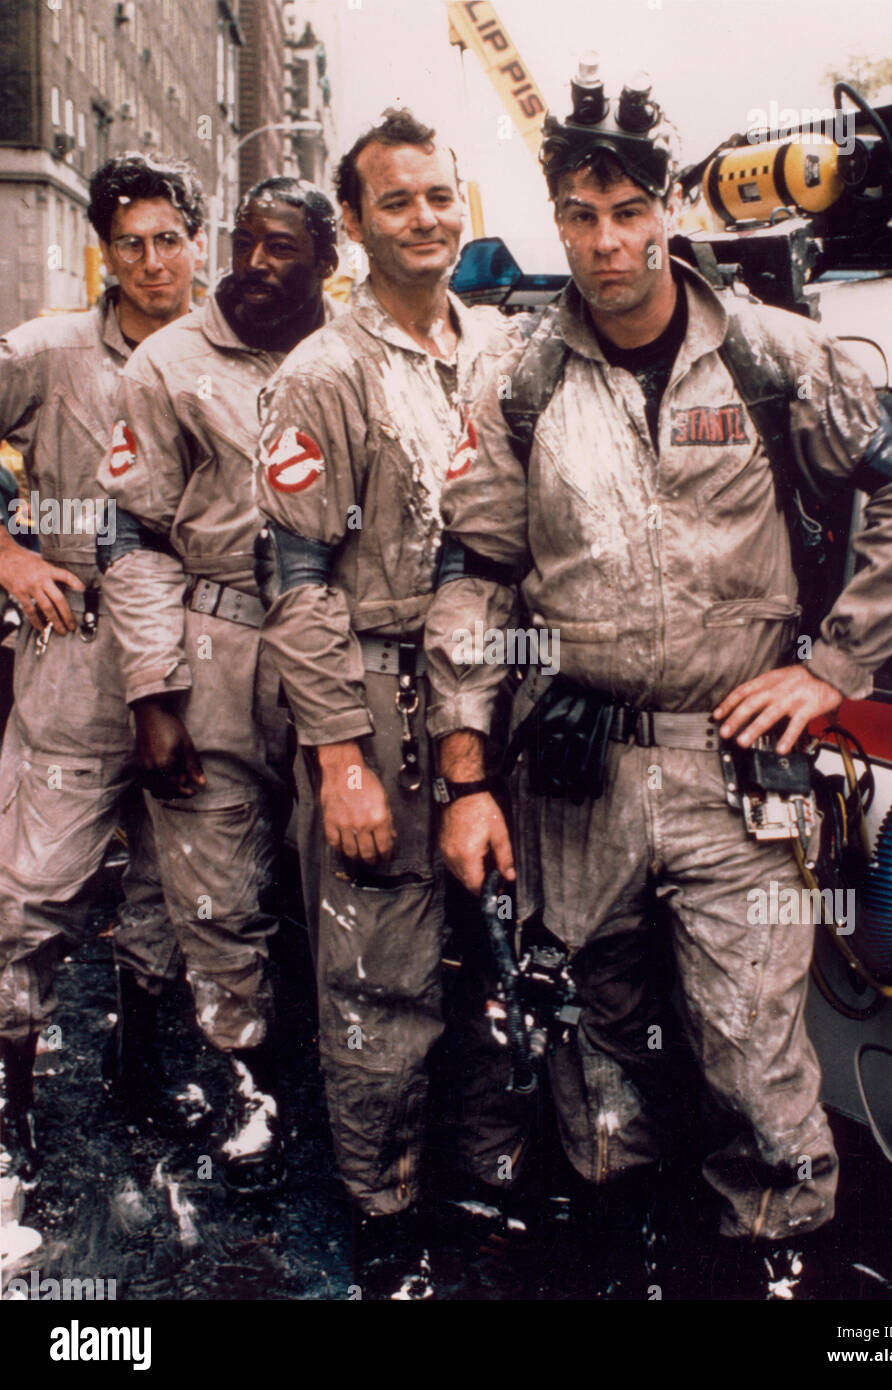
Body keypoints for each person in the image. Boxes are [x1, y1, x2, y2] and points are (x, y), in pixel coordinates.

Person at [424, 74, 892, 1297]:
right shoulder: (518, 379)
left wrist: (831, 667)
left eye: (626, 209)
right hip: (576, 773)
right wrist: (464, 776)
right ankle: (626, 1262)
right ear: (555, 219)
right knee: (593, 1054)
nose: (606, 242)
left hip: (735, 781)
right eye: (579, 215)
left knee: (754, 1057)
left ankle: (773, 1272)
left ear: (667, 204)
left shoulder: (778, 357)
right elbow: (476, 575)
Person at [253, 109, 519, 1297]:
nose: (425, 220)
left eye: (439, 197)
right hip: (371, 686)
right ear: (353, 224)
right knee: (378, 968)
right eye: (396, 202)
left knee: (506, 945)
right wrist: (340, 760)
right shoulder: (323, 372)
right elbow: (297, 582)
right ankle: (383, 1203)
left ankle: (488, 1170)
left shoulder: (503, 349)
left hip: (503, 681)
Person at [97, 177, 339, 1194]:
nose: (256, 263)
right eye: (245, 241)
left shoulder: (360, 352)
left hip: (335, 645)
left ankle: (349, 1085)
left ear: (329, 256)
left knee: (349, 882)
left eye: (283, 246)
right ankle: (253, 1089)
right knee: (217, 887)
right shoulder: (168, 362)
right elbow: (132, 534)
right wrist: (154, 691)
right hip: (217, 643)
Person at [0, 153, 206, 1177]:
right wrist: (9, 551)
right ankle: (11, 1099)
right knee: (32, 883)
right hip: (76, 638)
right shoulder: (47, 352)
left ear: (195, 243)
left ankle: (142, 1065)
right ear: (104, 251)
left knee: (175, 876)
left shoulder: (234, 353)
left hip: (195, 641)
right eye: (130, 241)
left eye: (169, 237)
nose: (152, 259)